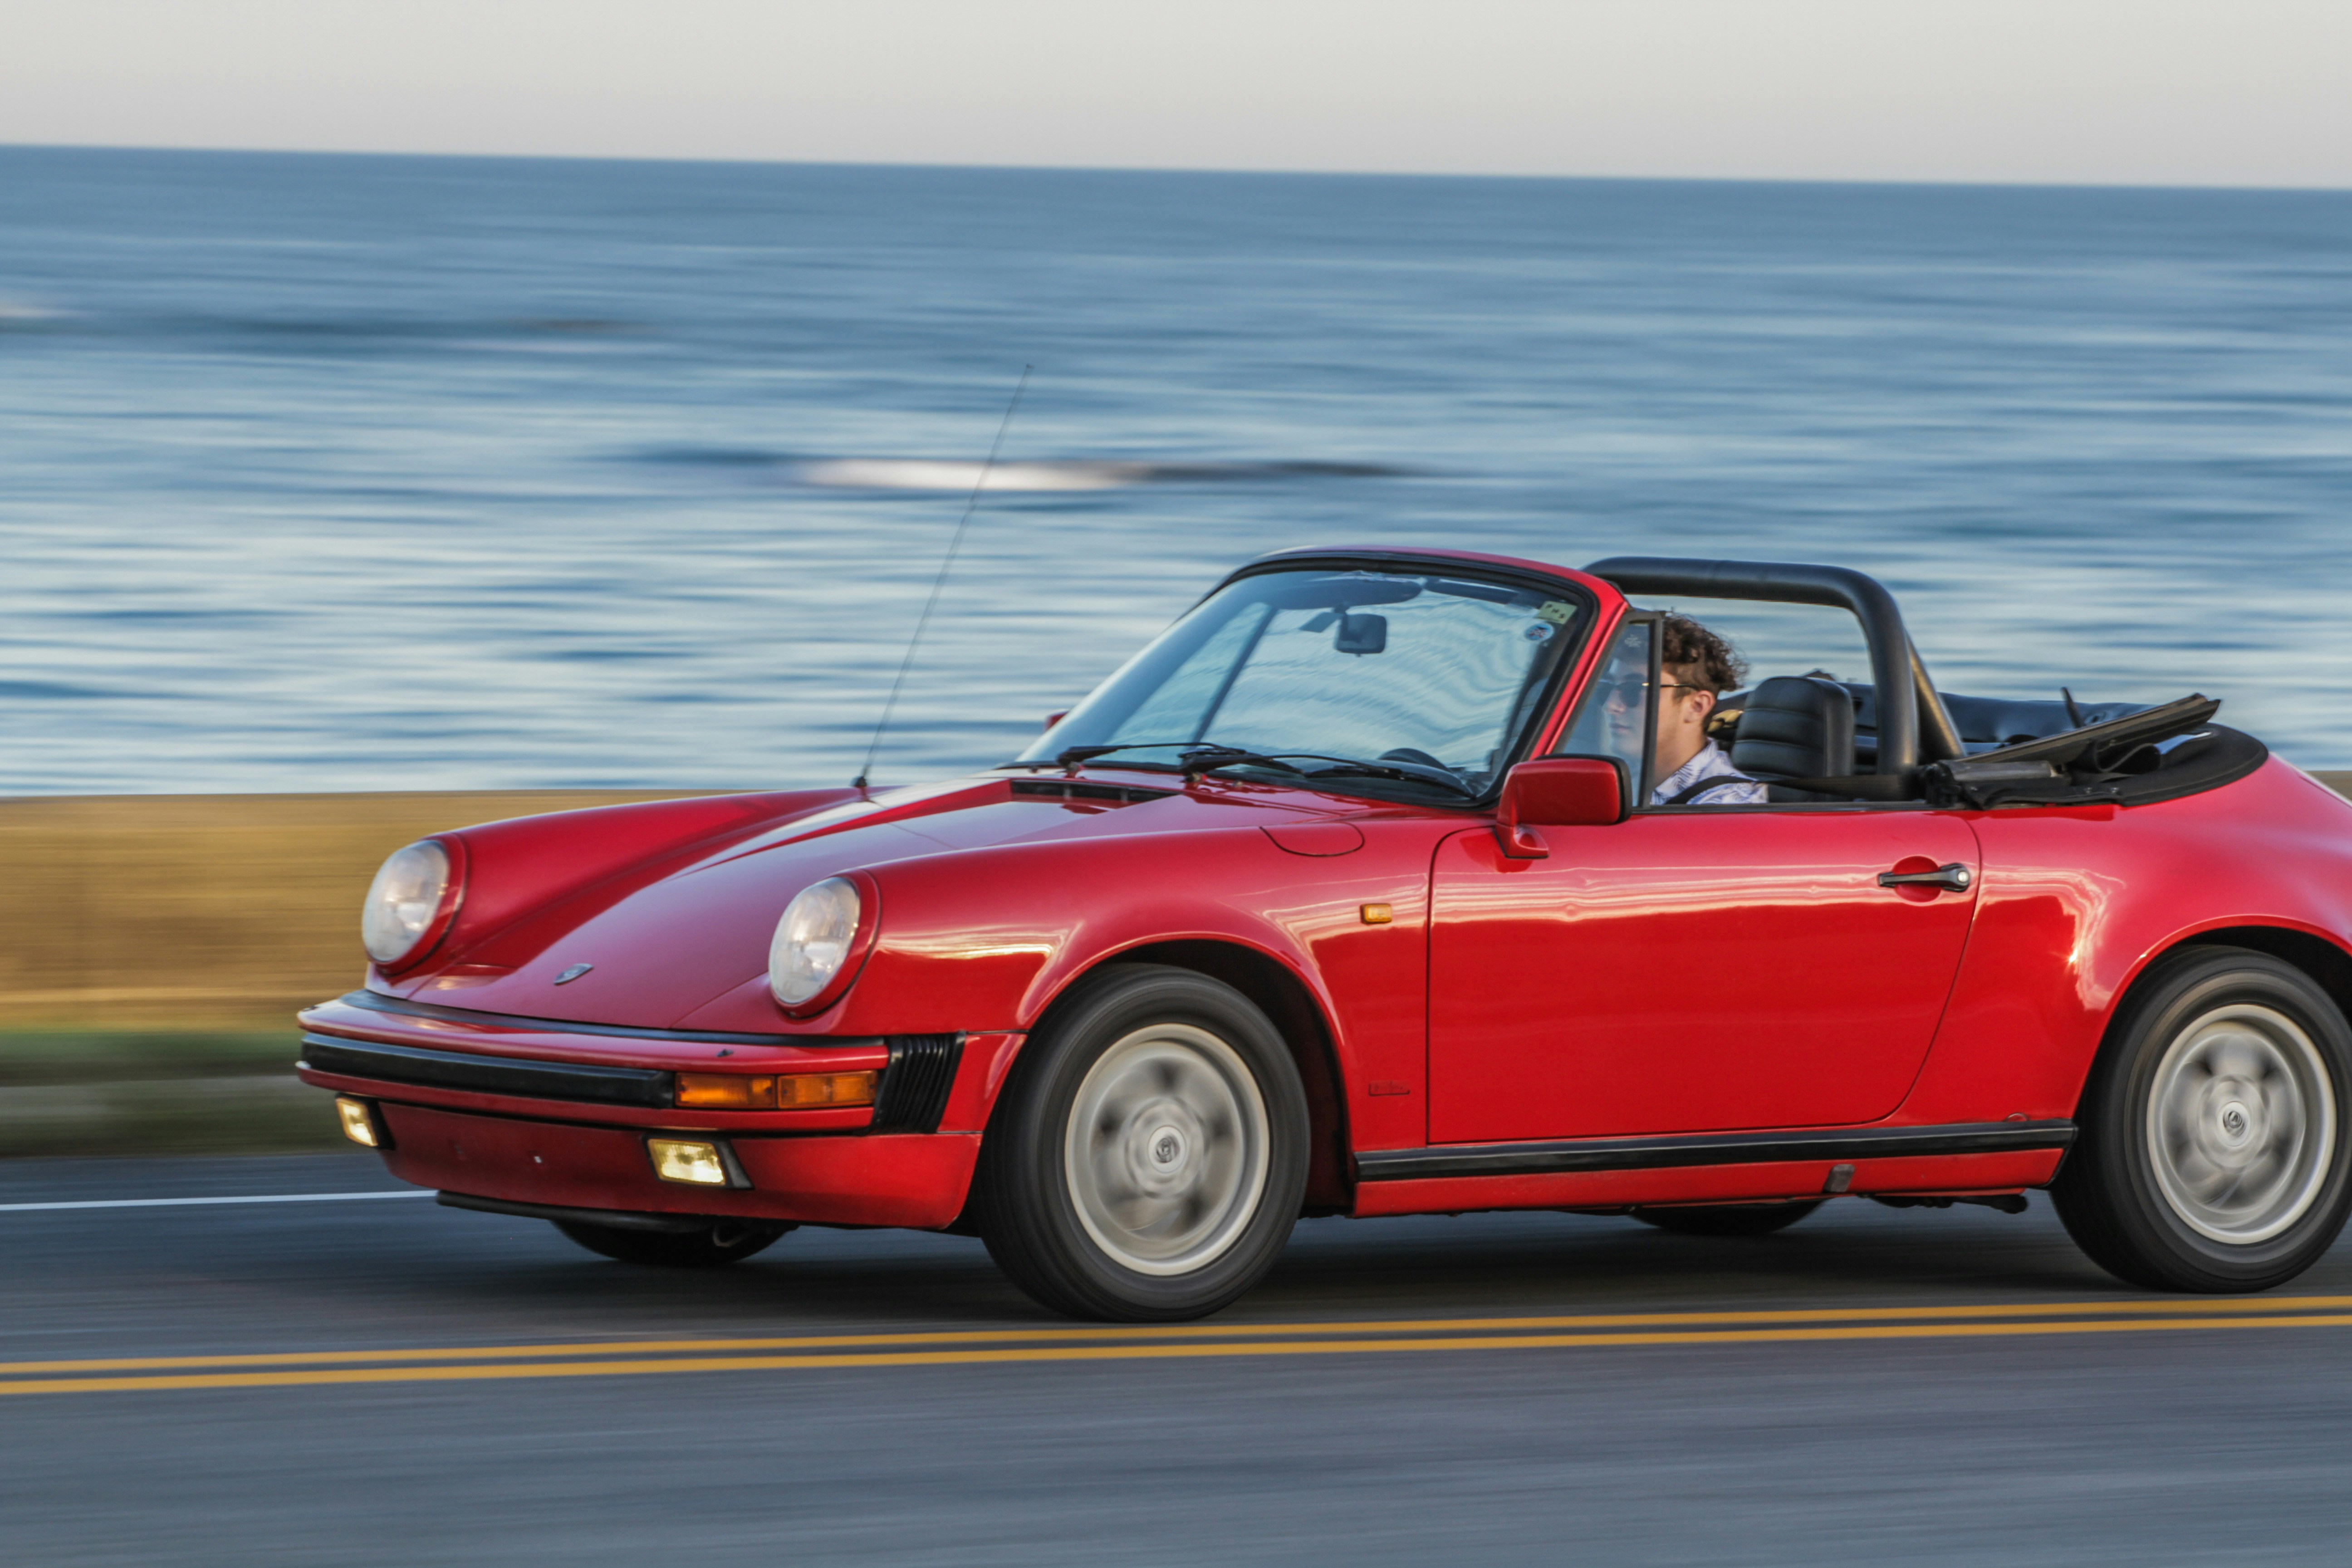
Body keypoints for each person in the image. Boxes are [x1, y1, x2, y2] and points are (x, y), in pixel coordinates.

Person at [1605, 614, 1766, 806]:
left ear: (1696, 707)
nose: (1611, 705)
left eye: (1633, 689)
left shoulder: (1727, 806)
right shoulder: (1617, 780)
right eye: (1606, 688)